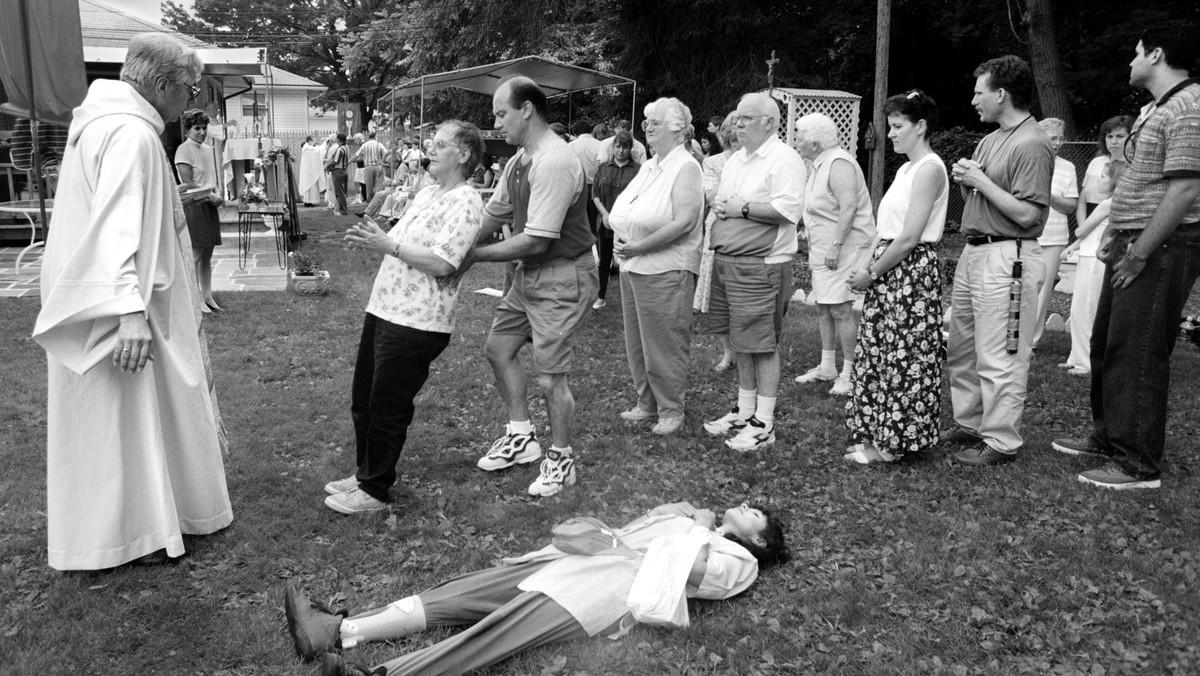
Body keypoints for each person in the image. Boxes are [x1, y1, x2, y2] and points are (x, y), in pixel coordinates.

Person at [31, 32, 233, 571]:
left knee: (121, 418)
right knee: (126, 418)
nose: (191, 102)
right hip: (125, 304)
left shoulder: (105, 124)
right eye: (191, 90)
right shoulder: (131, 136)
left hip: (115, 296)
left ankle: (130, 527)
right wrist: (129, 313)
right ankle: (138, 533)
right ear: (163, 84)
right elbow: (116, 227)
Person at [283, 500, 789, 675]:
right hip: (581, 563)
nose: (748, 506)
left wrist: (698, 525)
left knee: (491, 635)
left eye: (757, 514)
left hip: (601, 594)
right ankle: (337, 628)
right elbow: (626, 535)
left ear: (761, 541)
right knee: (459, 594)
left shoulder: (740, 562)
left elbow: (695, 574)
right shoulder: (695, 520)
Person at [1052, 25, 1200, 489]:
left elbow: (1186, 189)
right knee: (1108, 343)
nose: (1130, 62)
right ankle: (1108, 437)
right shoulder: (1154, 108)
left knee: (1138, 350)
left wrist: (1139, 252)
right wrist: (1118, 236)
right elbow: (1136, 184)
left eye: (1135, 53)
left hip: (1161, 245)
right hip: (1130, 239)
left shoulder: (1189, 106)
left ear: (1156, 54)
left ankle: (1137, 465)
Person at [322, 121, 485, 514]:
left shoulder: (466, 202)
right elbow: (405, 241)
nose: (430, 148)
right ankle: (366, 470)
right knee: (364, 398)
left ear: (462, 155)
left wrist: (389, 244)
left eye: (440, 144)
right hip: (385, 307)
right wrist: (382, 236)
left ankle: (374, 489)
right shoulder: (429, 192)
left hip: (418, 320)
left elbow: (444, 262)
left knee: (387, 405)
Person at [456, 76, 599, 497]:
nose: (497, 123)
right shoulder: (521, 160)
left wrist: (472, 257)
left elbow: (537, 238)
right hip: (531, 274)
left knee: (551, 377)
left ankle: (561, 458)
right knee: (498, 350)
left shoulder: (554, 161)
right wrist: (452, 245)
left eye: (501, 113)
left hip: (562, 276)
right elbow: (493, 215)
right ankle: (522, 437)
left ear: (527, 110)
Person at [944, 55, 1054, 466]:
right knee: (963, 348)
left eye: (979, 92)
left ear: (1001, 94)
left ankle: (1001, 441)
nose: (974, 100)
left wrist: (981, 181)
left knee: (1001, 354)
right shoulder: (991, 139)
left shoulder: (1033, 142)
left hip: (1009, 258)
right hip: (974, 253)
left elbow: (1029, 215)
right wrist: (968, 179)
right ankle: (971, 422)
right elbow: (987, 193)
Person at [843, 90, 947, 464]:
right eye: (891, 126)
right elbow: (885, 228)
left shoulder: (931, 168)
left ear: (920, 127)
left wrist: (871, 272)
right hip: (889, 268)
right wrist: (864, 261)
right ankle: (876, 432)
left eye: (898, 126)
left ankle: (894, 443)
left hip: (910, 272)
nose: (891, 134)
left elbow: (908, 237)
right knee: (880, 352)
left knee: (905, 357)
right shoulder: (905, 169)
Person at [703, 92, 806, 452]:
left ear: (769, 122)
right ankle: (744, 411)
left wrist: (742, 208)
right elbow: (727, 205)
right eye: (737, 117)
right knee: (739, 339)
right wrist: (722, 204)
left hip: (762, 265)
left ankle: (764, 422)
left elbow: (788, 210)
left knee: (761, 344)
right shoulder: (736, 161)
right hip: (730, 260)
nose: (737, 124)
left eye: (746, 118)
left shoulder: (784, 159)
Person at [609, 97, 704, 436]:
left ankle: (671, 409)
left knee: (664, 341)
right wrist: (624, 240)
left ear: (677, 129)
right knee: (638, 341)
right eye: (647, 123)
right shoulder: (650, 165)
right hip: (633, 265)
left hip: (665, 267)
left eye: (656, 123)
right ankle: (646, 402)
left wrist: (638, 246)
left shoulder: (686, 167)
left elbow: (684, 222)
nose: (647, 128)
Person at [792, 113, 876, 397]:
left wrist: (836, 246)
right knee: (824, 307)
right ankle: (827, 367)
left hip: (844, 248)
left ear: (815, 142)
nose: (797, 141)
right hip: (823, 248)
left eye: (800, 136)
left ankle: (850, 373)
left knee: (840, 308)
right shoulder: (817, 164)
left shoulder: (838, 162)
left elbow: (849, 207)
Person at [1058, 115, 1133, 374]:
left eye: (1120, 135)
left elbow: (1088, 225)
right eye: (1110, 136)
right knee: (1081, 305)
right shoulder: (1099, 166)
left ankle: (1087, 360)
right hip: (1091, 243)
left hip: (1101, 249)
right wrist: (1078, 242)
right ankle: (1077, 355)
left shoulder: (1114, 195)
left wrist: (1081, 235)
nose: (1113, 141)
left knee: (1089, 306)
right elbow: (1084, 213)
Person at [693, 112, 739, 372]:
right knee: (718, 294)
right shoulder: (713, 163)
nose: (733, 136)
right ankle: (727, 352)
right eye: (729, 132)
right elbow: (712, 195)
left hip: (747, 228)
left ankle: (743, 350)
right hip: (718, 226)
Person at [1030, 118, 1079, 348]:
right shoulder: (1028, 159)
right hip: (1026, 234)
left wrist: (1047, 194)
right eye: (1053, 138)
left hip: (1055, 238)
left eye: (1061, 138)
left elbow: (1070, 205)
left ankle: (1032, 341)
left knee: (1042, 292)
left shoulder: (1067, 167)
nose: (1058, 142)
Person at [174, 108, 225, 313]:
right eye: (197, 128)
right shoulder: (184, 150)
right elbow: (187, 182)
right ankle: (195, 302)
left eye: (204, 128)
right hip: (194, 205)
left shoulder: (208, 149)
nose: (202, 132)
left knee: (207, 256)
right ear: (187, 129)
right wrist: (207, 195)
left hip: (209, 204)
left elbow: (211, 178)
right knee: (195, 255)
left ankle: (208, 297)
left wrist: (217, 194)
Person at [591, 130, 641, 310]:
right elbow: (595, 193)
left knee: (628, 261)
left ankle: (632, 299)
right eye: (618, 146)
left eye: (625, 147)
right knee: (604, 261)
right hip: (605, 222)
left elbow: (640, 196)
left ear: (630, 149)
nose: (620, 151)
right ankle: (600, 295)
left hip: (627, 224)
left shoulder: (638, 170)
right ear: (612, 148)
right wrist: (605, 214)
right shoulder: (604, 167)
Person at [351, 131, 388, 203]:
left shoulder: (364, 145)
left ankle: (370, 201)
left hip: (368, 167)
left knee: (369, 186)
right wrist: (384, 162)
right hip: (378, 166)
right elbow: (386, 154)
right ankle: (377, 200)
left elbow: (356, 155)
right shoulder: (379, 144)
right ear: (375, 137)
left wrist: (349, 161)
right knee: (378, 185)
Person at [325, 132, 350, 216]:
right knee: (343, 191)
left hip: (338, 171)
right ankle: (343, 209)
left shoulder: (340, 149)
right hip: (344, 170)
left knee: (339, 192)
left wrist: (327, 166)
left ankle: (343, 211)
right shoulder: (347, 147)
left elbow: (335, 161)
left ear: (338, 140)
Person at [299, 134, 327, 206]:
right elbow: (318, 151)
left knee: (311, 187)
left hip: (310, 170)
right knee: (310, 186)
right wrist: (324, 143)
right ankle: (308, 202)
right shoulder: (307, 148)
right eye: (314, 140)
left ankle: (309, 201)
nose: (315, 142)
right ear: (309, 141)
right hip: (309, 172)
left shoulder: (308, 147)